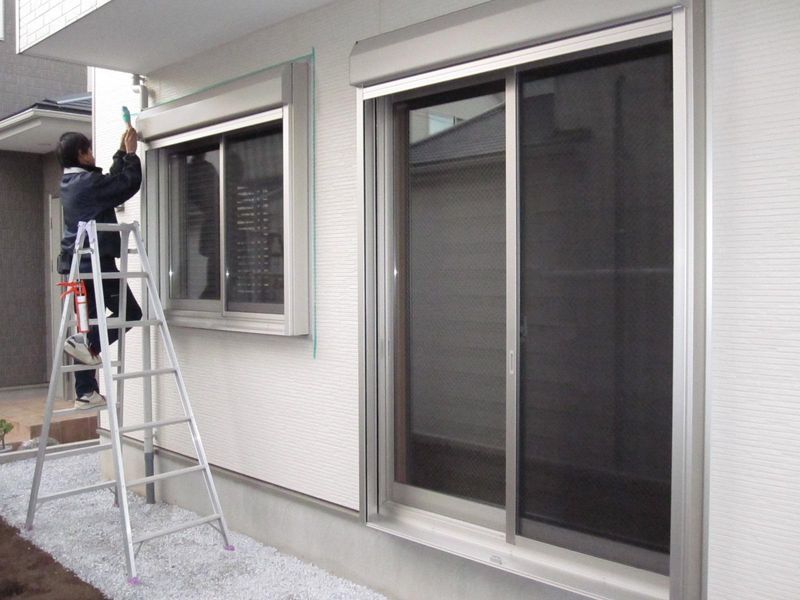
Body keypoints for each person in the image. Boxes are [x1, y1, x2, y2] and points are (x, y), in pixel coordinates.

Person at [56, 128, 142, 409]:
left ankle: (86, 392)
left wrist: (120, 152)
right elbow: (125, 185)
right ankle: (87, 344)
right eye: (89, 150)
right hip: (96, 265)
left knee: (87, 324)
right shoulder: (88, 183)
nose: (92, 154)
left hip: (75, 268)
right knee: (130, 313)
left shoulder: (70, 182)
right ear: (81, 154)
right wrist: (132, 155)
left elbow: (109, 184)